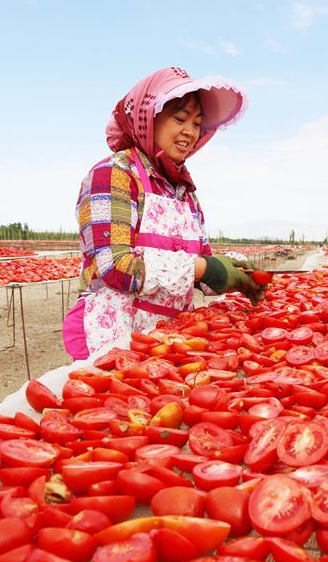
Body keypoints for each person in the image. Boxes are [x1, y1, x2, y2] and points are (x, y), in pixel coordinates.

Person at [62, 67, 263, 360]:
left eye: (197, 124)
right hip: (115, 335)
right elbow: (116, 266)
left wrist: (234, 275)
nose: (190, 132)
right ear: (147, 120)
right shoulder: (113, 174)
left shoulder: (184, 191)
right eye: (180, 119)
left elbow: (199, 263)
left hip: (170, 340)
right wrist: (206, 268)